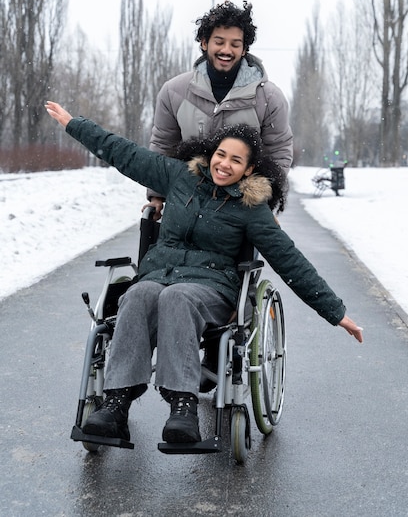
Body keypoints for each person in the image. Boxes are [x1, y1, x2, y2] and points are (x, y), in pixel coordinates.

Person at [45, 100, 363, 445]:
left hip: (211, 289)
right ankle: (117, 403)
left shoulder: (251, 208)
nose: (224, 164)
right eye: (221, 154)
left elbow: (290, 260)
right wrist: (74, 124)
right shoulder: (179, 176)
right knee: (137, 293)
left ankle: (183, 406)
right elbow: (126, 154)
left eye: (236, 160)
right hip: (159, 275)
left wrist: (337, 312)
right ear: (212, 152)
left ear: (249, 168)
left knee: (177, 296)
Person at [146, 0, 293, 219]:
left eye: (235, 44)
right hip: (186, 202)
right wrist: (156, 196)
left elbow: (278, 152)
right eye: (219, 42)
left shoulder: (269, 98)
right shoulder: (174, 91)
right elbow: (162, 146)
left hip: (240, 209)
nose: (226, 50)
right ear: (205, 43)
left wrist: (264, 202)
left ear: (244, 49)